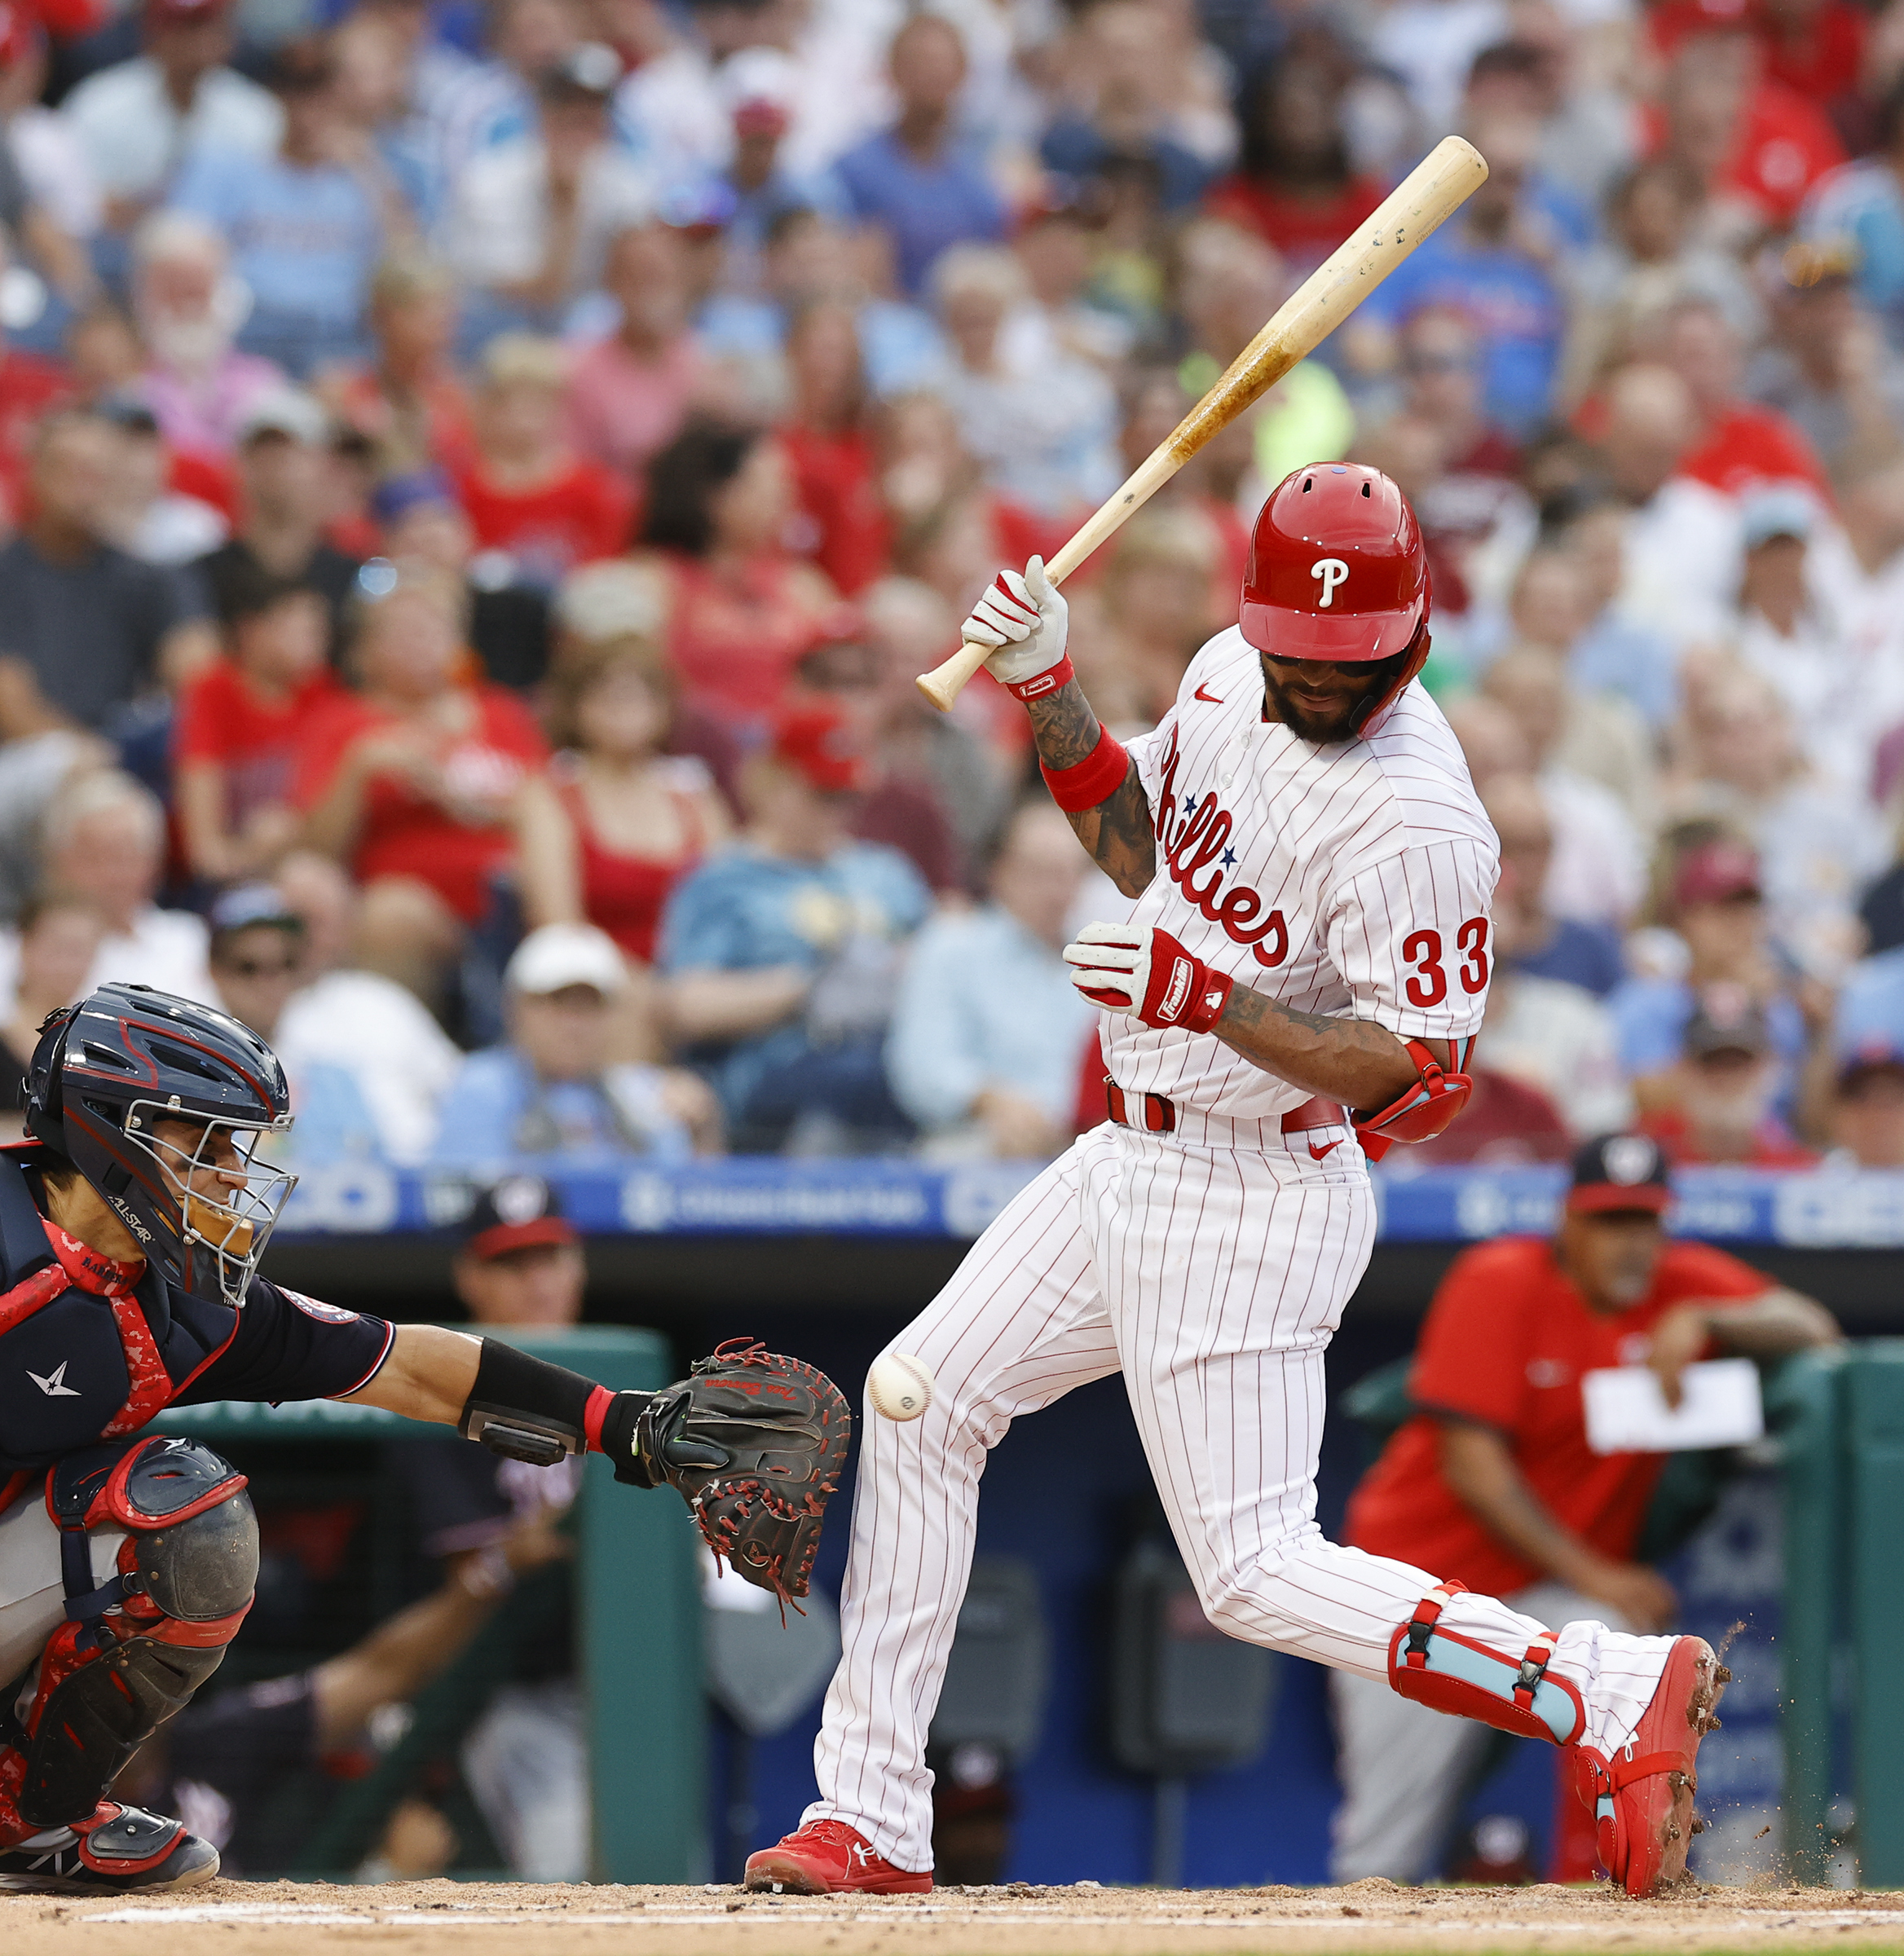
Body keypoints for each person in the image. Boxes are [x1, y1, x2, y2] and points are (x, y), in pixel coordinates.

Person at [746, 464, 1733, 1904]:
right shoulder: (1224, 673)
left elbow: (1423, 1082)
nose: (1321, 684)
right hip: (1126, 1155)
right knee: (919, 1397)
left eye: (1353, 663)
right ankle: (872, 1816)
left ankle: (1606, 1678)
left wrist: (1205, 997)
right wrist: (1049, 694)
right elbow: (1137, 844)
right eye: (1299, 656)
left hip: (1256, 1191)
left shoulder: (1422, 822)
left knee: (1254, 1575)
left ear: (1409, 637)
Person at [0, 976, 848, 1892]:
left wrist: (622, 1425)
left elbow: (409, 1363)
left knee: (184, 1515)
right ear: (110, 1130)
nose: (233, 1176)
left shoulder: (184, 1308)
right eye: (206, 1145)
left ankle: (33, 1823)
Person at [1333, 1134, 1839, 1884]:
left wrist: (1709, 1319)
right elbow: (1474, 1466)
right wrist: (1598, 1572)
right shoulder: (1500, 1278)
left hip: (1547, 1590)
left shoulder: (1680, 1282)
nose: (1631, 1245)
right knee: (1386, 1837)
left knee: (1626, 1649)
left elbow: (1812, 1326)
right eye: (1609, 1222)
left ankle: (1599, 1883)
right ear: (1568, 1220)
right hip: (1419, 1584)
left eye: (1644, 1222)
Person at [385, 1177, 592, 1879]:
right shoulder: (437, 1396)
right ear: (471, 1277)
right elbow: (469, 1578)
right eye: (512, 1265)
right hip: (501, 1688)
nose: (538, 1285)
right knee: (565, 1875)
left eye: (551, 1260)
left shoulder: (633, 1387)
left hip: (619, 1687)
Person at [659, 701, 930, 1154]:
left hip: (890, 1052)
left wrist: (892, 976)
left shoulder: (885, 872)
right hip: (772, 1071)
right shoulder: (723, 880)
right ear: (773, 782)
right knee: (865, 1075)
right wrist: (809, 990)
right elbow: (686, 1005)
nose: (837, 812)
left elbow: (937, 957)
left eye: (848, 796)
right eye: (822, 795)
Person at [292, 565, 549, 1007]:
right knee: (391, 915)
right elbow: (316, 851)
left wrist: (459, 799)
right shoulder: (343, 724)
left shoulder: (504, 714)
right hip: (404, 908)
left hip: (510, 902)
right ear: (365, 651)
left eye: (434, 625)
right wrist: (357, 771)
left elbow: (550, 812)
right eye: (403, 629)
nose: (421, 638)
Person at [884, 799, 1096, 1161]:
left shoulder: (1100, 962)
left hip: (1086, 1147)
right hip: (978, 1142)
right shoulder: (951, 946)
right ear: (999, 871)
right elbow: (923, 1065)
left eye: (1069, 874)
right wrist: (989, 1100)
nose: (1058, 892)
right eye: (1040, 873)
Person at [166, 37, 384, 380]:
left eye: (318, 91)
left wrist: (369, 172)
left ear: (339, 95)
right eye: (295, 91)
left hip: (337, 337)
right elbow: (177, 248)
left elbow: (405, 264)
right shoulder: (230, 164)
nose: (307, 106)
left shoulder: (361, 177)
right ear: (276, 95)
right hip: (251, 333)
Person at [515, 635, 729, 966]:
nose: (624, 709)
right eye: (607, 696)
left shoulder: (694, 793)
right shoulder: (550, 793)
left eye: (639, 696)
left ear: (664, 707)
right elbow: (557, 927)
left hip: (694, 977)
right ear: (576, 707)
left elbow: (728, 900)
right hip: (595, 981)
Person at [430, 922, 719, 1165]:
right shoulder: (480, 1085)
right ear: (516, 1009)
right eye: (557, 1003)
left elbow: (678, 1200)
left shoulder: (644, 1092)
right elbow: (464, 1198)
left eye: (590, 1007)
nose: (573, 1025)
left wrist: (703, 1133)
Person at [0, 410, 215, 737]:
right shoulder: (8, 575)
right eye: (68, 470)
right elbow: (11, 704)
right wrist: (85, 756)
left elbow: (200, 676)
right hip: (23, 759)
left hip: (121, 751)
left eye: (96, 473)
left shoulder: (148, 578)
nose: (83, 487)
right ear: (35, 474)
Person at [643, 419, 837, 739]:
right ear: (714, 495)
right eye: (766, 485)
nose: (784, 498)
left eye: (786, 484)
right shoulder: (655, 581)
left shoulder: (805, 586)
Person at [172, 562, 338, 887]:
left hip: (300, 864)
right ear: (250, 631)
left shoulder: (322, 693)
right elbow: (204, 848)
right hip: (219, 877)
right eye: (299, 631)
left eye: (318, 632)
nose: (314, 645)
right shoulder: (212, 692)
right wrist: (250, 853)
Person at [60, 0, 280, 242]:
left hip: (223, 257)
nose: (196, 43)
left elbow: (265, 211)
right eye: (183, 29)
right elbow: (79, 206)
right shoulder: (98, 104)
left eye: (207, 28)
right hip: (114, 254)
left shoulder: (255, 112)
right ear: (152, 34)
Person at [0, 769, 213, 1011]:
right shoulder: (11, 956)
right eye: (95, 858)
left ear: (155, 863)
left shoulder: (187, 941)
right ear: (55, 861)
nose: (114, 875)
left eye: (128, 857)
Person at [203, 882, 381, 1164]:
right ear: (214, 971)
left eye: (284, 965)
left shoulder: (334, 1078)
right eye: (249, 967)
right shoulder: (192, 1077)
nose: (269, 983)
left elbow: (375, 1169)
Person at [830, 16, 1004, 302]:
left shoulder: (981, 180)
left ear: (963, 74)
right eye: (920, 63)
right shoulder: (855, 169)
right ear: (893, 72)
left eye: (943, 64)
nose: (933, 75)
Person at [191, 388, 362, 662]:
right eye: (261, 451)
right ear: (239, 466)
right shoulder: (201, 576)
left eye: (289, 450)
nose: (275, 463)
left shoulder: (351, 577)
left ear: (321, 464)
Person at [451, 333, 632, 590]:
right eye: (511, 401)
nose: (526, 417)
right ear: (486, 406)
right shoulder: (461, 489)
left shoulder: (591, 489)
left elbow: (607, 564)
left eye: (540, 402)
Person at [565, 222, 706, 484]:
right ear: (612, 282)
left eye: (659, 274)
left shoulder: (705, 363)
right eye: (635, 275)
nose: (648, 288)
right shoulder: (579, 369)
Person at [0, 891, 102, 1126]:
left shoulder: (98, 1043)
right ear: (25, 944)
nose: (69, 963)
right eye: (59, 947)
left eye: (81, 950)